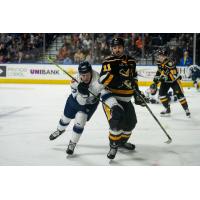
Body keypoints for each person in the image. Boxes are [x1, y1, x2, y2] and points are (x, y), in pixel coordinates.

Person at [49, 61, 118, 155]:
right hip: (74, 101)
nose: (85, 78)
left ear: (91, 72)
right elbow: (79, 101)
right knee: (65, 119)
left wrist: (113, 104)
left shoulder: (97, 78)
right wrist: (82, 93)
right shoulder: (74, 80)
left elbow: (105, 93)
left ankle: (72, 143)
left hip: (90, 104)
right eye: (82, 75)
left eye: (87, 75)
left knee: (80, 122)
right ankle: (59, 130)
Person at [99, 37, 146, 160]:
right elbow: (102, 81)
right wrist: (115, 74)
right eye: (114, 47)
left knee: (131, 122)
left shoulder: (131, 61)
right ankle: (113, 145)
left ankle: (121, 142)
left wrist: (137, 94)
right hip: (112, 97)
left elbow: (134, 79)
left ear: (123, 47)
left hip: (126, 98)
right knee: (117, 122)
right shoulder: (108, 61)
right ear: (111, 49)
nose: (117, 49)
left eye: (119, 47)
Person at [153, 49, 191, 117]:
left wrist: (164, 77)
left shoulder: (169, 62)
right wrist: (155, 81)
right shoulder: (159, 62)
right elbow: (159, 71)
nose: (159, 57)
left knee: (179, 95)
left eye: (161, 56)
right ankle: (167, 109)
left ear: (165, 56)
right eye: (159, 56)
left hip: (174, 80)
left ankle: (186, 109)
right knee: (161, 95)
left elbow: (173, 74)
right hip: (165, 81)